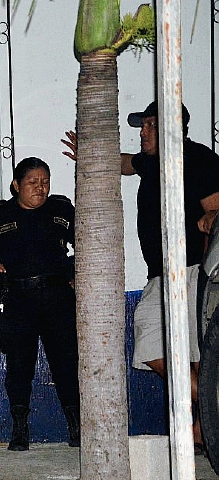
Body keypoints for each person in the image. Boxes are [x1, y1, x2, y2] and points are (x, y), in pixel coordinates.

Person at [63, 102, 219, 448]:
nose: (142, 132)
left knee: (193, 353)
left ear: (170, 127)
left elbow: (216, 210)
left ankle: (202, 426)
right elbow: (122, 163)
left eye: (149, 125)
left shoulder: (198, 159)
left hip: (194, 270)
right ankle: (210, 414)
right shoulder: (148, 162)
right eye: (143, 126)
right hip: (159, 274)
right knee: (152, 346)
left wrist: (205, 221)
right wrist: (89, 153)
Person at [0, 157, 79, 451]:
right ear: (16, 185)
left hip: (58, 298)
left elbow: (83, 241)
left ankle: (76, 427)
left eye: (45, 182)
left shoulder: (61, 208)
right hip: (18, 300)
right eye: (33, 182)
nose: (41, 188)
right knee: (20, 366)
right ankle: (20, 429)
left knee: (66, 364)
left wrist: (74, 274)